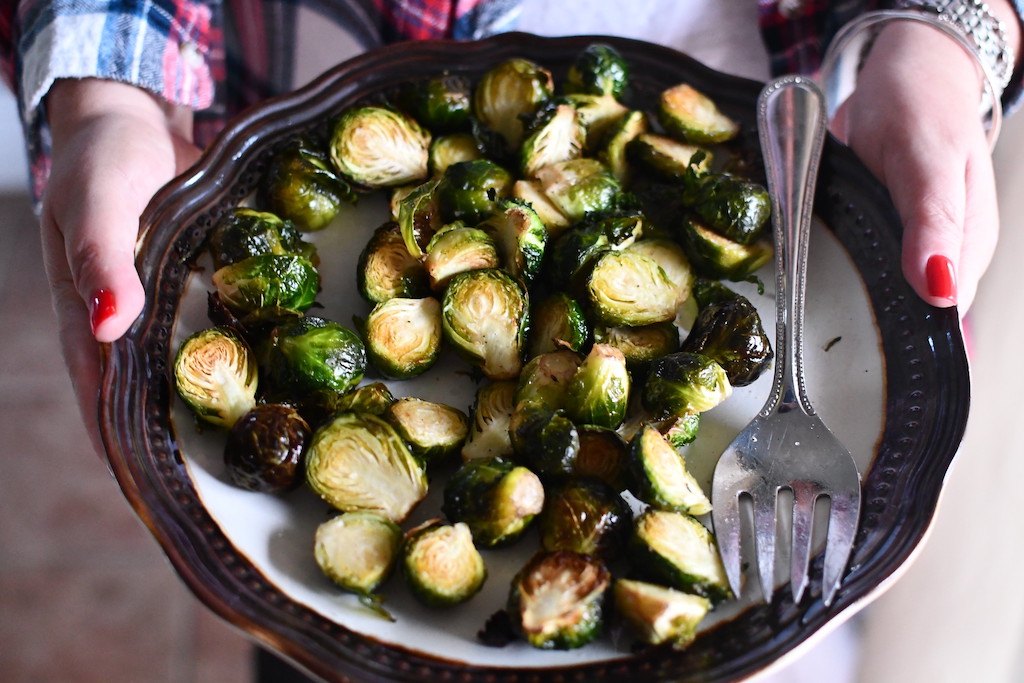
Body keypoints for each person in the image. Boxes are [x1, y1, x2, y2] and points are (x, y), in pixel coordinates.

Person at [0, 0, 1021, 680]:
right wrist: (109, 92)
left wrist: (939, 38)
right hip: (313, 70)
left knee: (774, 603)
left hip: (759, 106)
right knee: (323, 641)